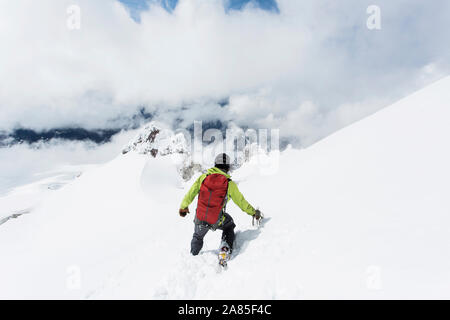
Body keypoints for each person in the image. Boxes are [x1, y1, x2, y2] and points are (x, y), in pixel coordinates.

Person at [179, 153, 262, 256]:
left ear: (215, 164)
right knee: (229, 224)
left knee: (197, 236)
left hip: (200, 217)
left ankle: (193, 255)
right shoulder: (229, 183)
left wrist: (183, 207)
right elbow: (241, 202)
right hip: (216, 220)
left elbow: (190, 193)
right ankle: (225, 249)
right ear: (227, 167)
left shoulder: (203, 178)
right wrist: (254, 213)